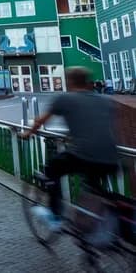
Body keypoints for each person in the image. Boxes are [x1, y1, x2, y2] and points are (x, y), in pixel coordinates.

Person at [21, 67, 119, 231]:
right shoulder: (105, 100)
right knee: (93, 186)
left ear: (70, 81)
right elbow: (94, 125)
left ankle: (55, 216)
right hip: (111, 157)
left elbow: (40, 121)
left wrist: (26, 134)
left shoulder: (64, 98)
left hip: (83, 155)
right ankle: (109, 216)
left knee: (52, 169)